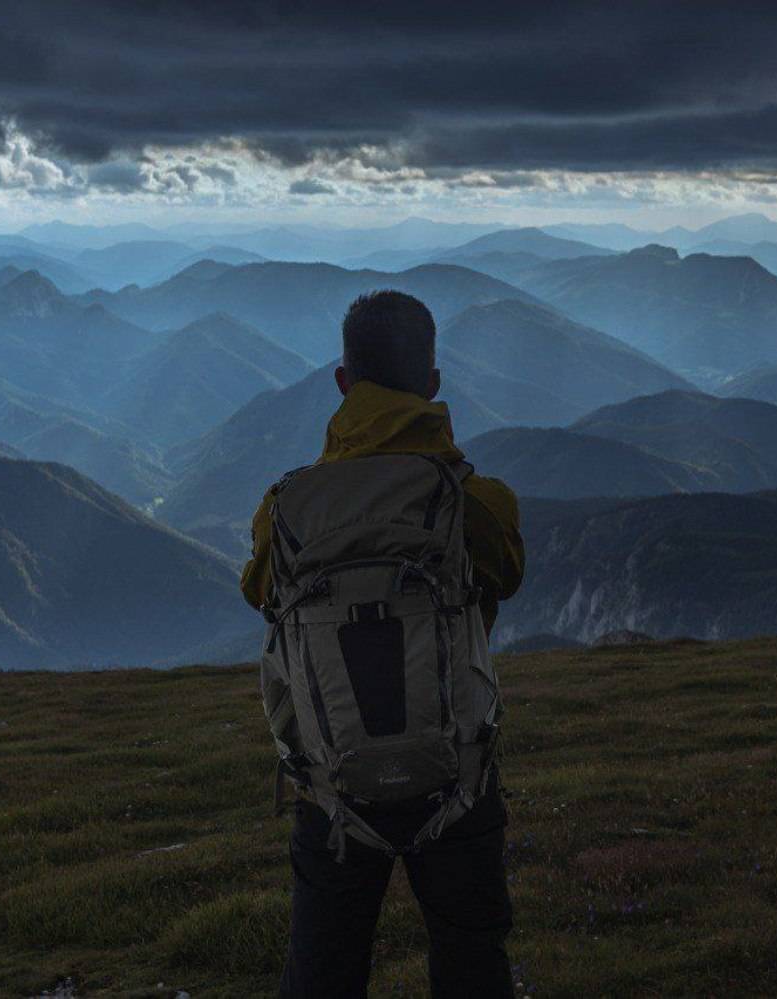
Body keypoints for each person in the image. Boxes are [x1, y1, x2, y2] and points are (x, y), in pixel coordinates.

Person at [241, 290, 524, 998]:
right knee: (471, 958)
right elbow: (506, 574)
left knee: (323, 971)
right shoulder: (475, 502)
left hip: (332, 781)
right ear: (433, 384)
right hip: (455, 771)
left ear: (343, 382)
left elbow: (258, 592)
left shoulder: (286, 508)